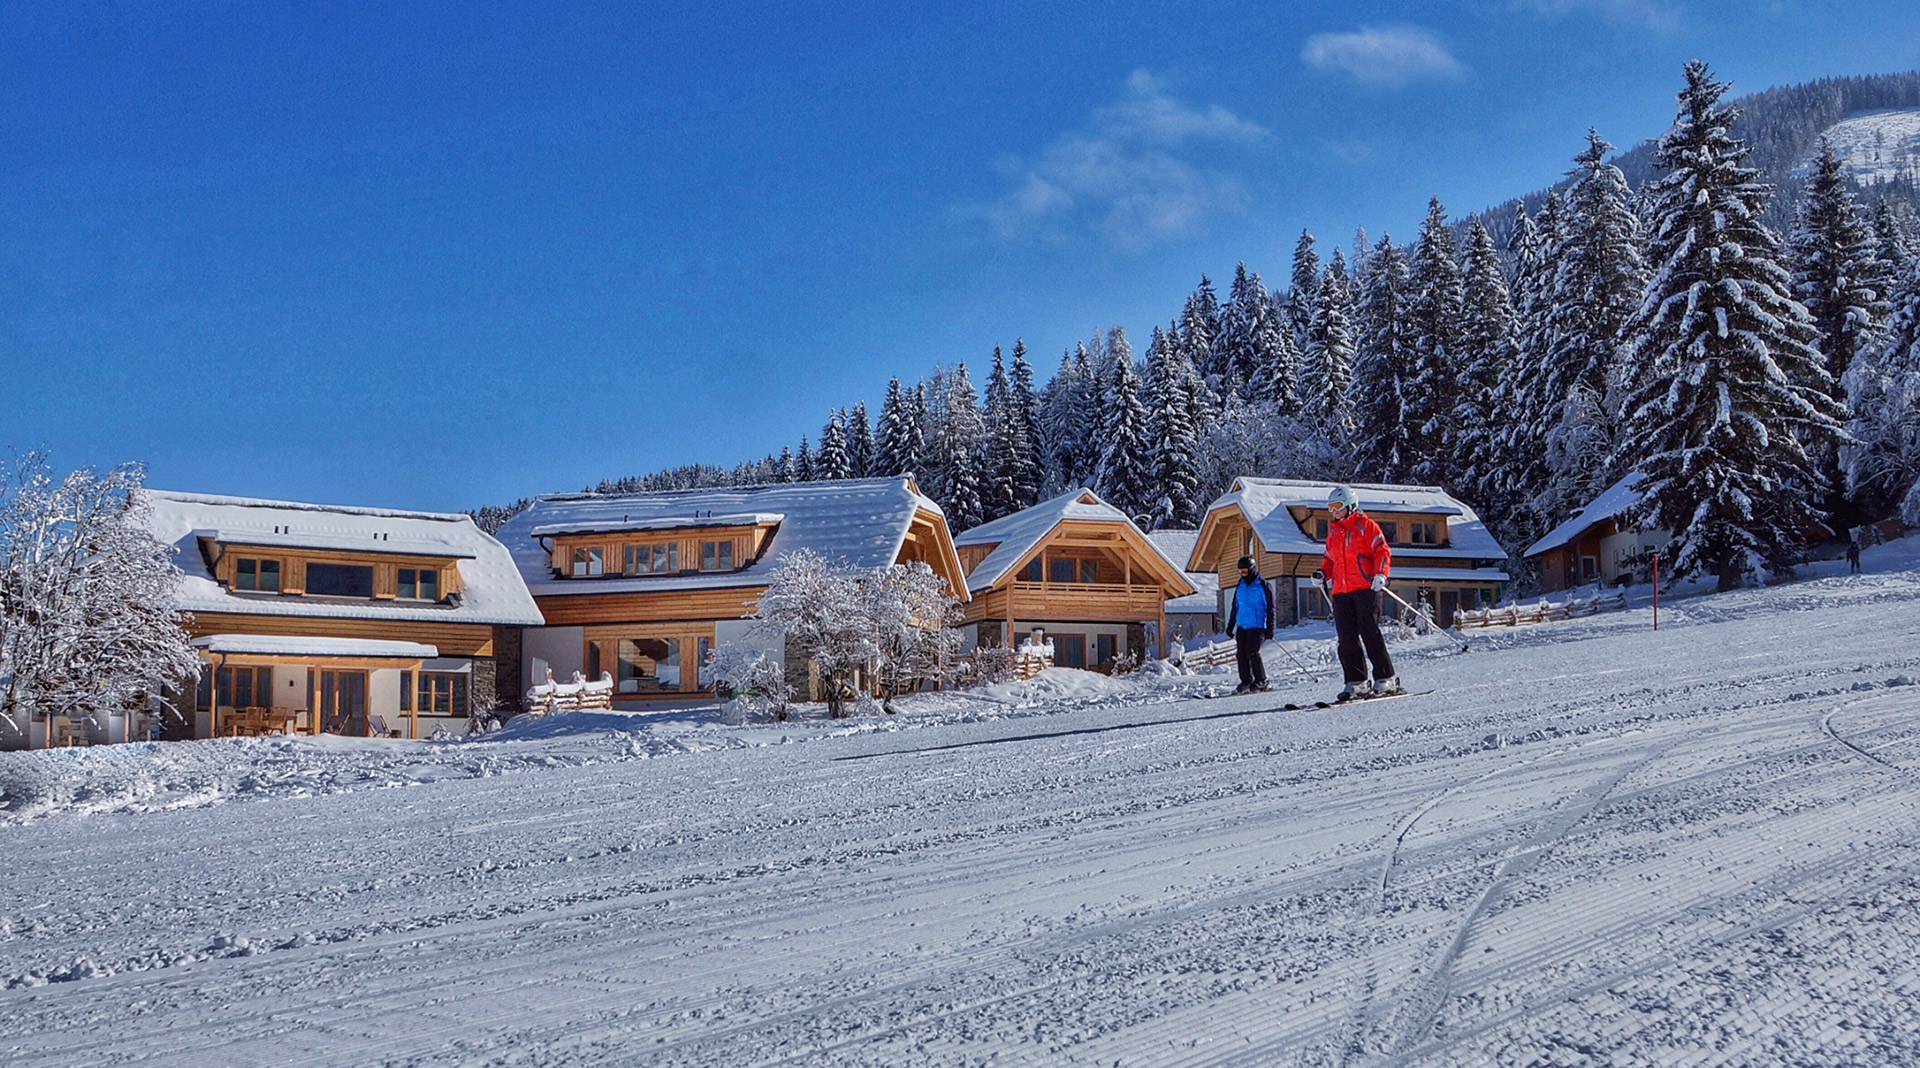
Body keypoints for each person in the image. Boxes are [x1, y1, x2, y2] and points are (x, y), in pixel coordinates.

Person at [1312, 486, 1401, 701]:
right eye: (1330, 507)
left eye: (1338, 507)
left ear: (1351, 506)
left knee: (1369, 632)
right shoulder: (1333, 532)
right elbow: (1330, 559)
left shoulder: (1366, 526)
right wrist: (1322, 573)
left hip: (1365, 587)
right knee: (1346, 638)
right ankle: (1356, 681)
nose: (1334, 512)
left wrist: (1381, 574)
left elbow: (1382, 551)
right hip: (1341, 591)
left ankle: (1385, 678)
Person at [1227, 555, 1275, 695]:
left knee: (1252, 652)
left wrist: (1270, 628)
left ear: (1252, 569)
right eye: (1240, 571)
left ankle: (1262, 680)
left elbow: (1270, 608)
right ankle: (1246, 681)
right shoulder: (1240, 585)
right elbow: (1235, 606)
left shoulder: (1263, 585)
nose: (1243, 574)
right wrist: (1231, 625)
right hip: (1242, 625)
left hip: (1258, 625)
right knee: (1241, 654)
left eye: (1245, 571)